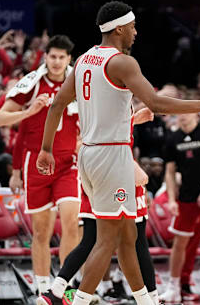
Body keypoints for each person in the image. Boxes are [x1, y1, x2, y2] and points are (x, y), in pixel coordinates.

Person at [35, 1, 200, 305]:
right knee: (106, 241)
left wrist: (46, 149)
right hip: (112, 158)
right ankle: (76, 301)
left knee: (128, 236)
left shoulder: (83, 61)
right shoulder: (122, 63)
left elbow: (56, 105)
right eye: (132, 27)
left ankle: (147, 301)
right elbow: (156, 104)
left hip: (90, 157)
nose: (135, 32)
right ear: (118, 28)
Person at [38, 109, 158, 305]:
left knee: (94, 241)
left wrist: (133, 120)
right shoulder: (100, 101)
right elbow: (96, 138)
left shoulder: (100, 104)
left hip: (97, 175)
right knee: (131, 243)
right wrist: (132, 166)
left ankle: (56, 291)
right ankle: (151, 299)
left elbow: (109, 128)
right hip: (115, 174)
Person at [0, 35, 80, 295]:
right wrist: (28, 112)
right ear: (45, 57)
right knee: (41, 231)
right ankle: (42, 289)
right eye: (52, 56)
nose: (56, 62)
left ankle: (65, 288)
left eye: (61, 57)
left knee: (72, 222)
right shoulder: (32, 82)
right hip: (37, 164)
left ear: (69, 60)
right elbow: (0, 118)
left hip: (68, 162)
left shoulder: (78, 82)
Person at [160, 112, 200, 303]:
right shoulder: (173, 138)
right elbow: (169, 172)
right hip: (186, 197)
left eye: (187, 112)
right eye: (179, 113)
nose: (182, 116)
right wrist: (170, 199)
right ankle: (174, 286)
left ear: (196, 115)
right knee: (181, 242)